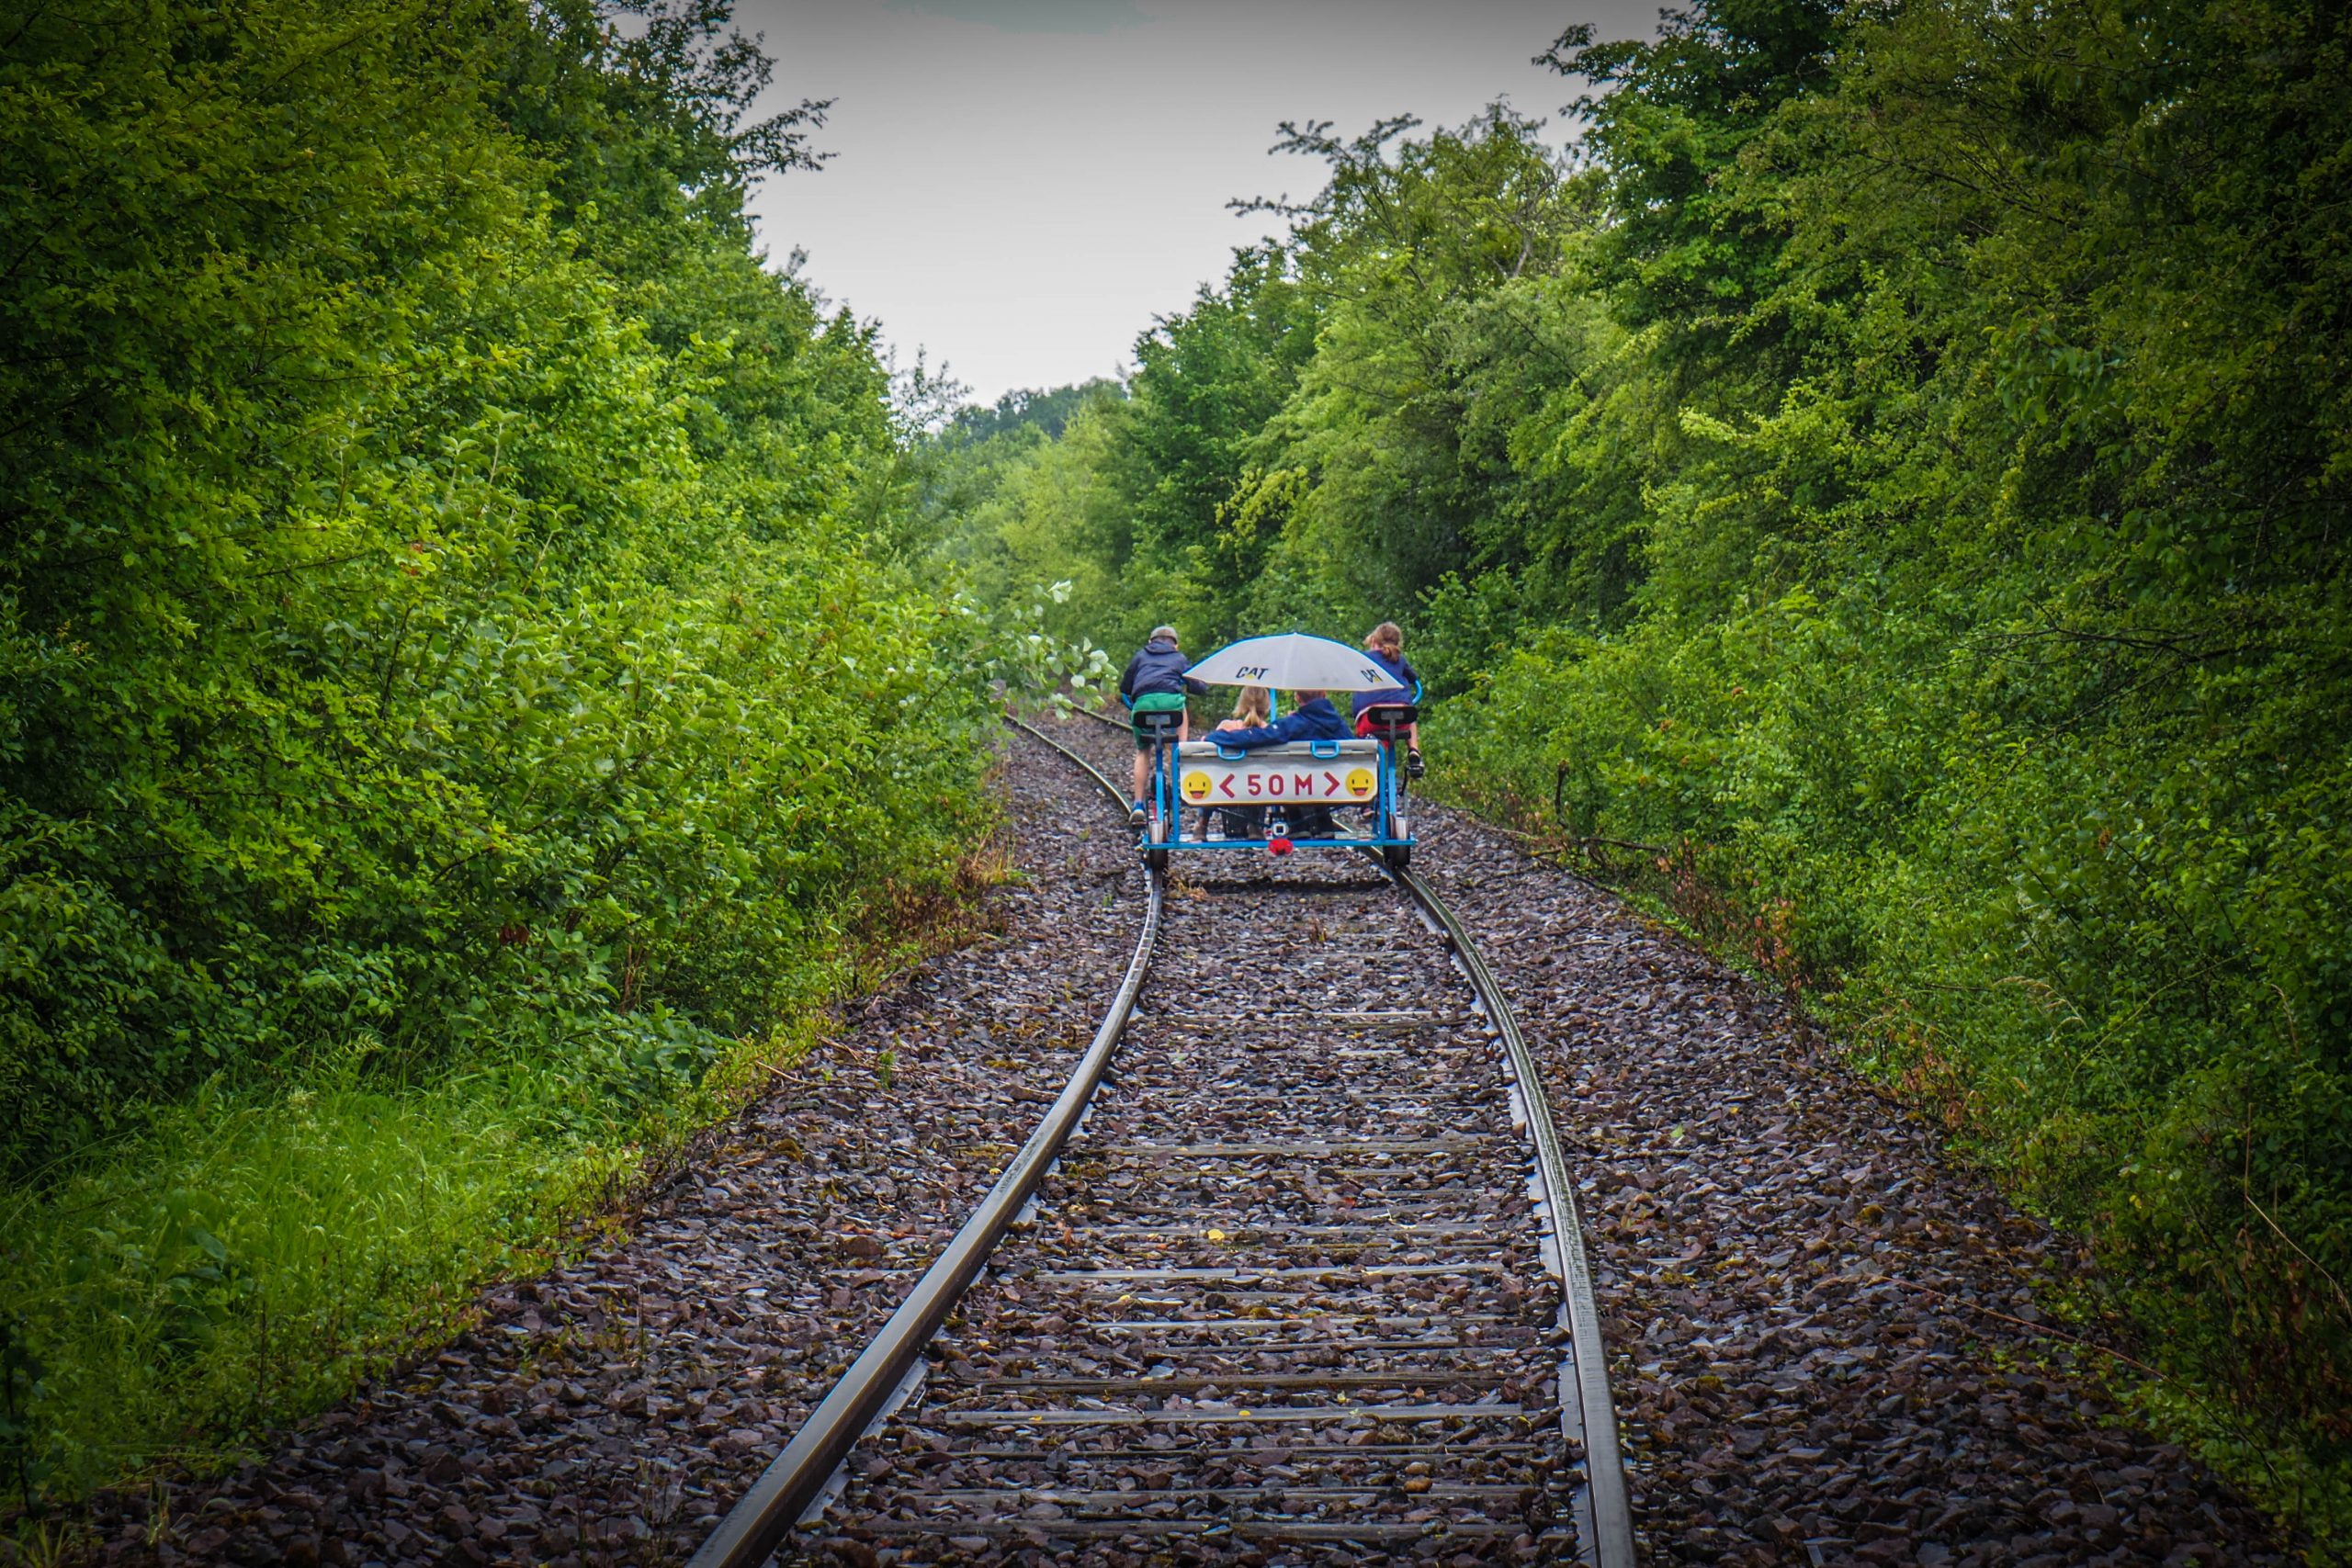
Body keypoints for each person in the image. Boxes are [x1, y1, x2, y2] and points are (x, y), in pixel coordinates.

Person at [1206, 686, 1351, 838]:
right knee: (1313, 773)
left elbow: (1256, 738)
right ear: (1324, 694)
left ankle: (1297, 824)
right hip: (1337, 785)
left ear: (1297, 697)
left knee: (1285, 771)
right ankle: (1324, 823)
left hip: (1299, 786)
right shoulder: (1339, 725)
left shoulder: (1293, 724)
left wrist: (1216, 737)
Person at [1118, 625, 1207, 827]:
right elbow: (1198, 687)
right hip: (1171, 707)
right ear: (1175, 644)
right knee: (1181, 705)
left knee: (1143, 751)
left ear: (1151, 642)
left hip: (1143, 707)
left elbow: (1125, 688)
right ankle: (1181, 749)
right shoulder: (1179, 658)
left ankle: (1138, 804)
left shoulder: (1140, 656)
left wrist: (1134, 699)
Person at [1200, 686, 1272, 840]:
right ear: (1267, 706)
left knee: (1210, 772)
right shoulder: (1268, 731)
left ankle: (1202, 824)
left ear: (1242, 704)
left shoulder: (1226, 727)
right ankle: (1254, 825)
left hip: (1224, 786)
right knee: (1261, 775)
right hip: (1257, 788)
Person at [1353, 621, 1424, 778]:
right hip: (1401, 716)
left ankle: (1372, 756)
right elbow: (1415, 680)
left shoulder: (1363, 659)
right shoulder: (1400, 660)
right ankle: (1414, 750)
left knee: (1365, 730)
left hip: (1372, 716)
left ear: (1373, 641)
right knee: (1411, 715)